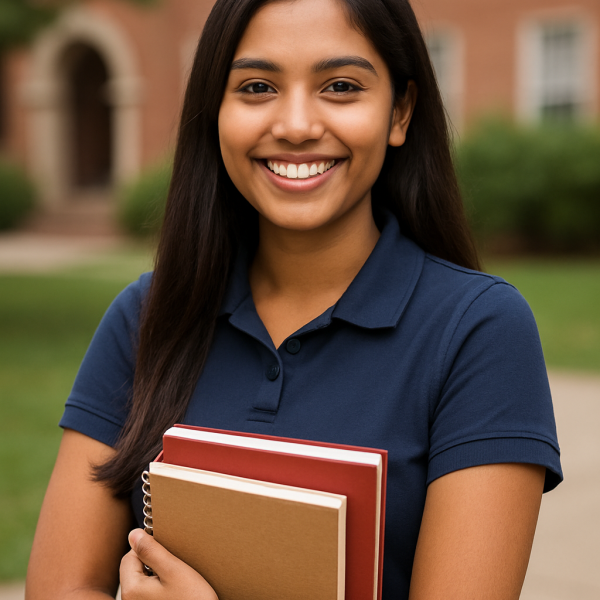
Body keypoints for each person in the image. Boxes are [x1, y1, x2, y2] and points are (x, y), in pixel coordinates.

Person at [26, 0, 562, 598]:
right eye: (257, 86)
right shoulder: (145, 317)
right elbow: (60, 587)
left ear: (400, 112)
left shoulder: (477, 331)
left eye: (340, 86)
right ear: (215, 112)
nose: (297, 124)